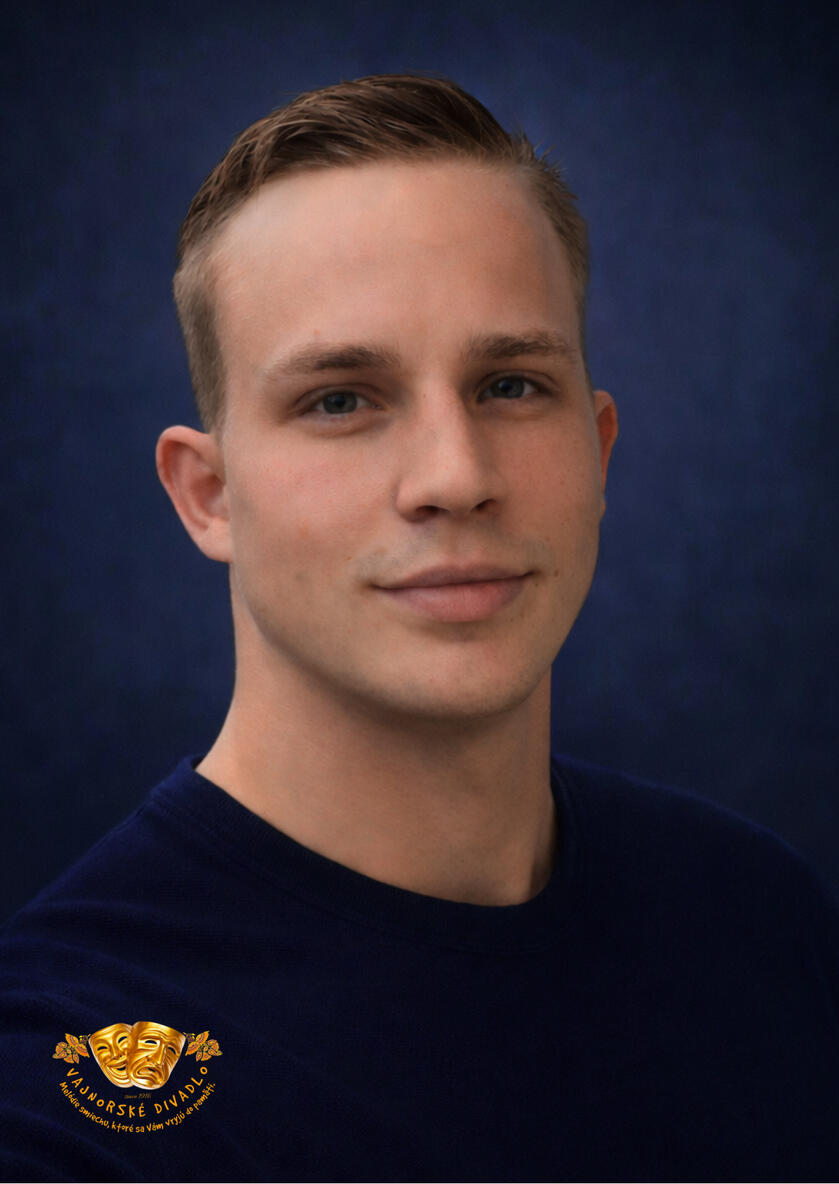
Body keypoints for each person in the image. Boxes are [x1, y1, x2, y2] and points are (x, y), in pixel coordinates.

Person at [1, 73, 837, 1183]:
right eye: (340, 399)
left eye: (510, 384)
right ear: (208, 495)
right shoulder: (60, 1080)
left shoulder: (760, 916)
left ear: (598, 450)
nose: (454, 475)